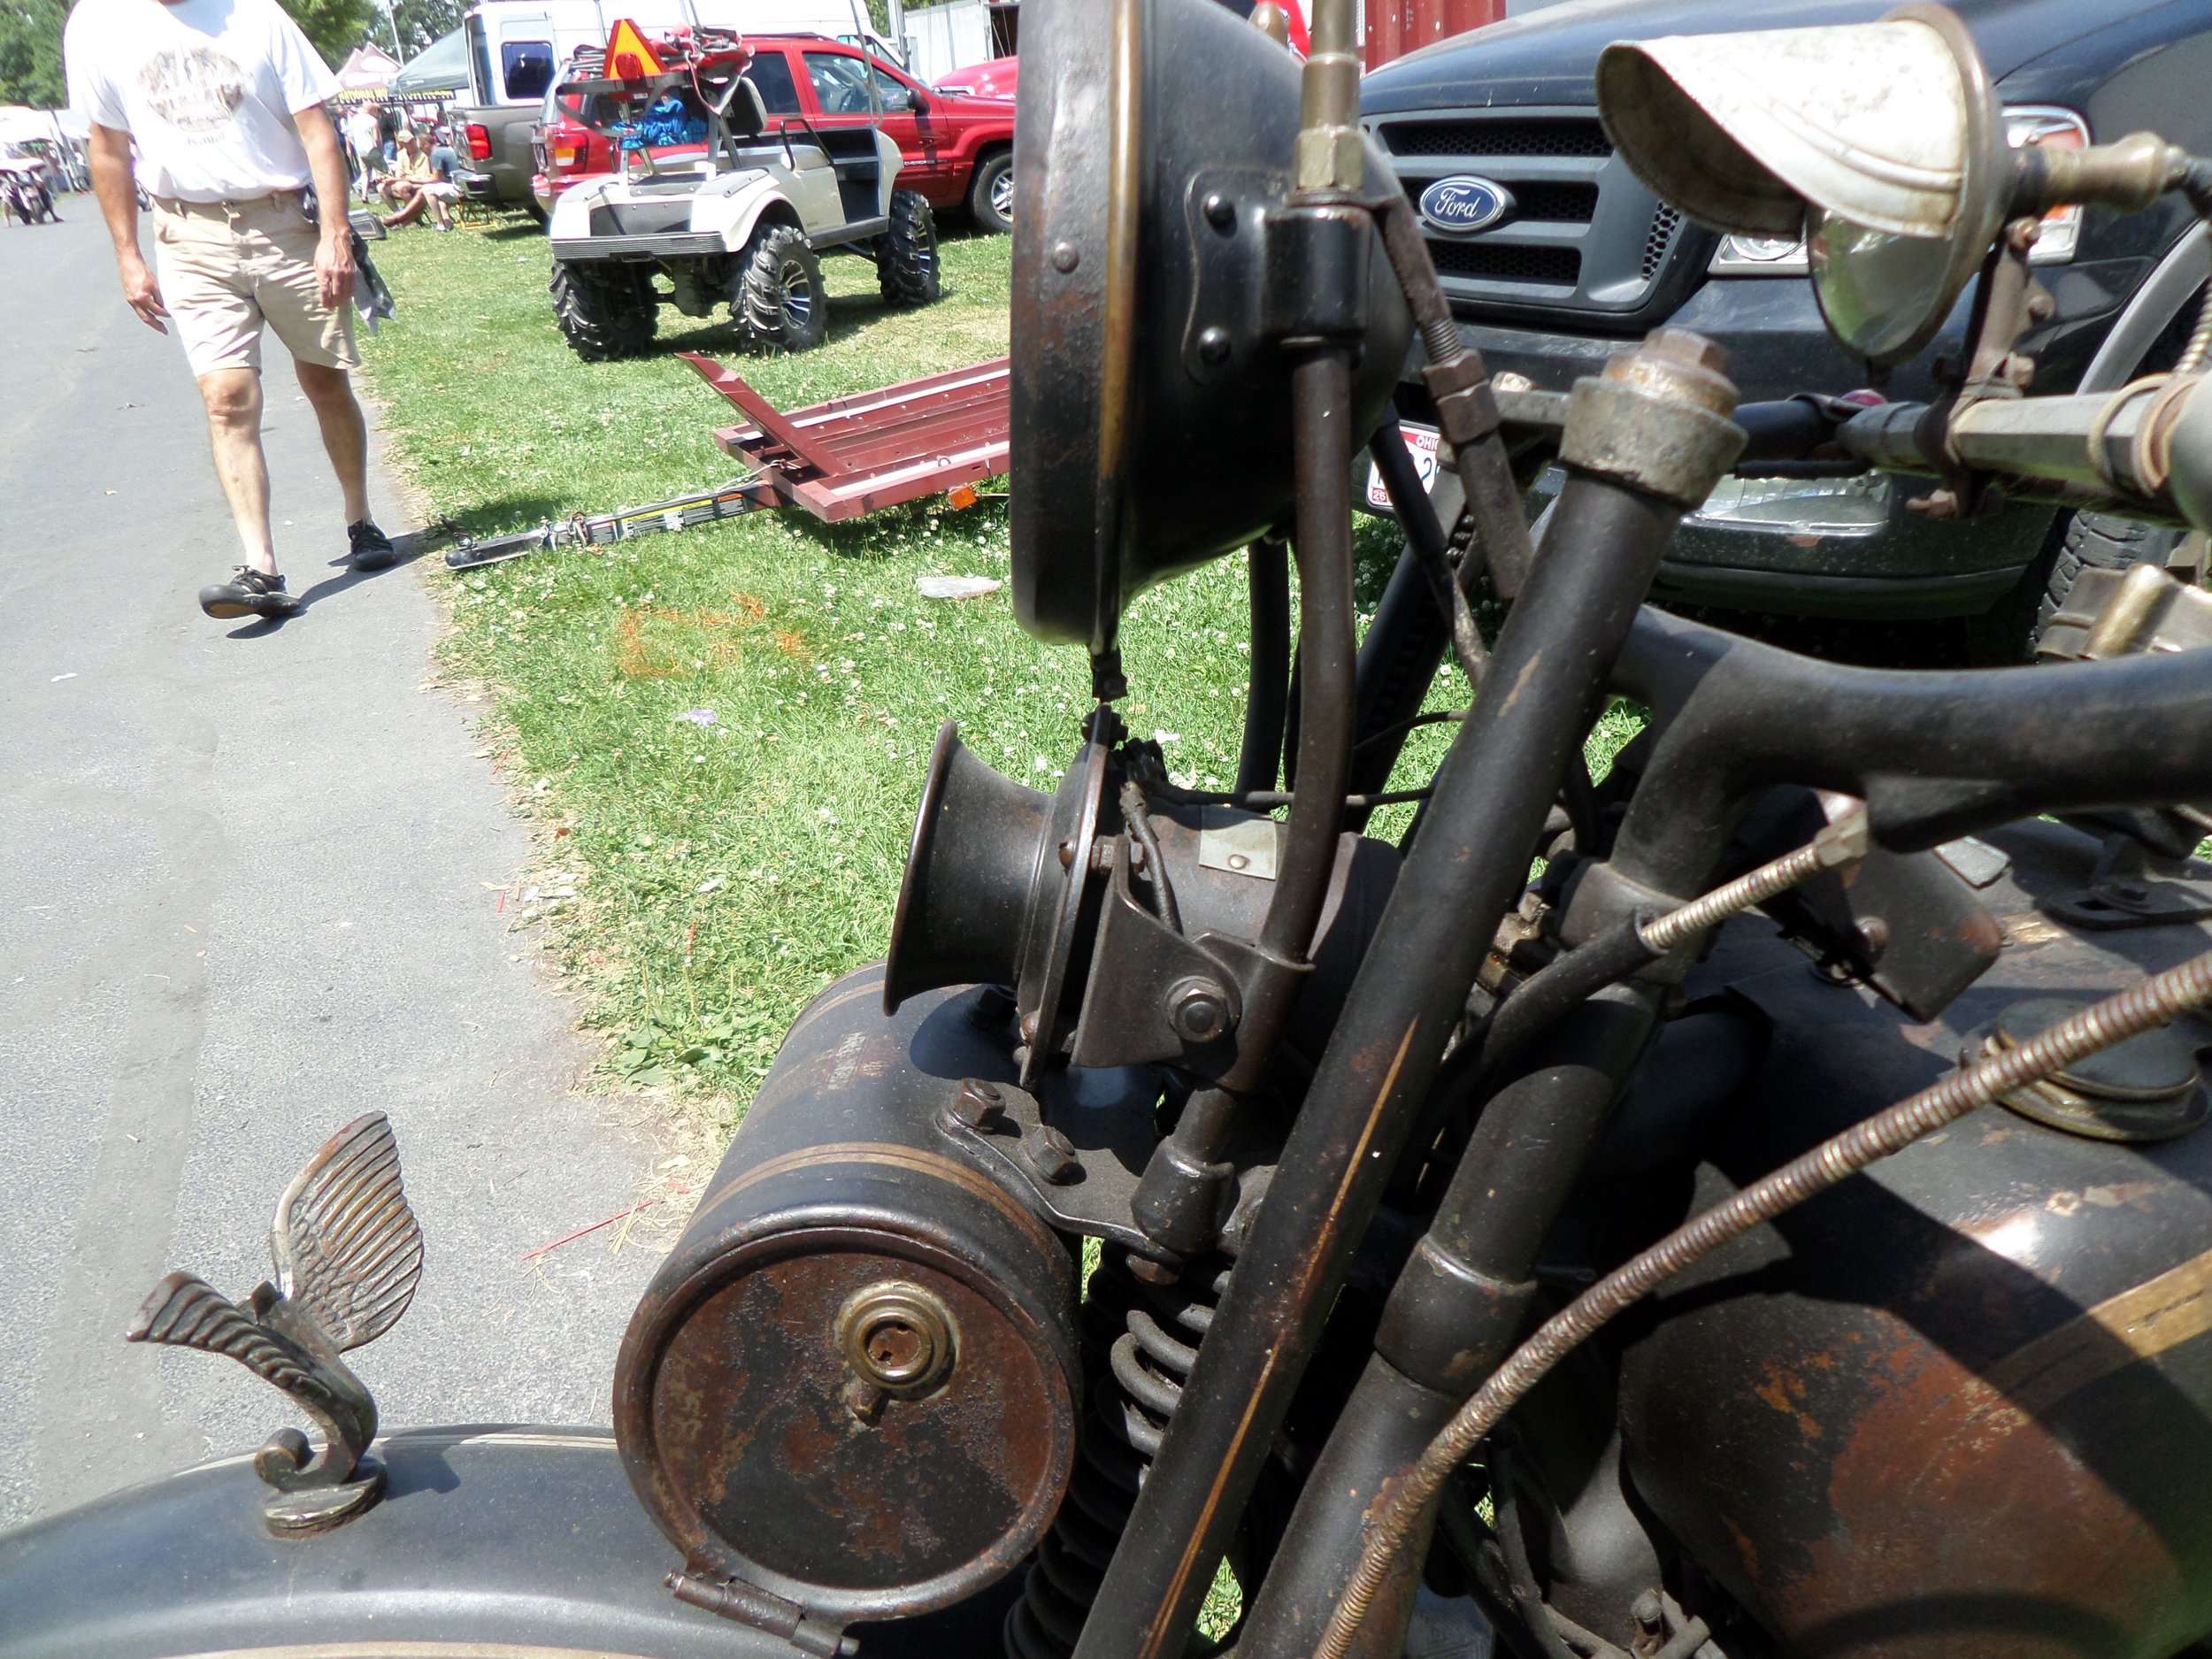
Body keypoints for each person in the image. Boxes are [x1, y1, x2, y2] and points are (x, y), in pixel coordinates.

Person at [66, 0, 399, 620]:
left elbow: (316, 127)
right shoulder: (96, 23)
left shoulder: (255, 15)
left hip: (283, 223)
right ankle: (261, 568)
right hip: (187, 233)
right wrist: (127, 255)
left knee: (324, 380)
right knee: (225, 397)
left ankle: (360, 519)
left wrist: (333, 232)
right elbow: (107, 145)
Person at [379, 126, 456, 231]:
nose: (417, 146)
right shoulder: (438, 152)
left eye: (415, 142)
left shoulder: (434, 154)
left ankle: (401, 218)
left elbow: (434, 179)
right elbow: (436, 178)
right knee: (382, 187)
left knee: (423, 190)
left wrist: (408, 179)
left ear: (426, 144)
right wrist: (396, 179)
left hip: (447, 187)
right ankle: (401, 217)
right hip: (447, 186)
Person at [344, 101, 382, 196]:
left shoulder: (355, 119)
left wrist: (351, 146)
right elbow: (377, 138)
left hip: (360, 150)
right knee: (380, 172)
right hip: (372, 150)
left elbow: (350, 135)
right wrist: (381, 150)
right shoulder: (373, 120)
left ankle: (364, 195)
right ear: (372, 110)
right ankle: (383, 192)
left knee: (364, 174)